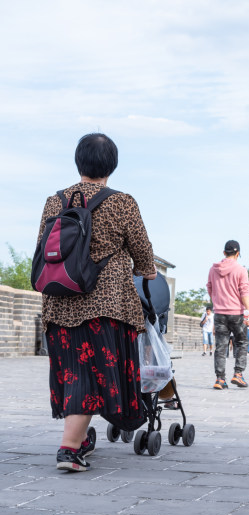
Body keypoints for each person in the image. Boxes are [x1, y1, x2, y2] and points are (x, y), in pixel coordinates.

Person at [37, 133, 156, 472]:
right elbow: (142, 250)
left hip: (59, 301)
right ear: (112, 165)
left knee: (74, 371)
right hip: (105, 304)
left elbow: (44, 247)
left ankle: (80, 438)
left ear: (79, 161)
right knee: (91, 375)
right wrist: (147, 272)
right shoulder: (122, 202)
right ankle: (69, 449)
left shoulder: (54, 201)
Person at [207, 240, 249, 389]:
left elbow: (210, 288)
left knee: (221, 346)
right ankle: (238, 374)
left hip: (219, 313)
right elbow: (244, 292)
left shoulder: (213, 270)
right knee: (242, 342)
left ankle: (220, 379)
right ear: (238, 253)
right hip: (236, 313)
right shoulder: (241, 270)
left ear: (224, 253)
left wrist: (216, 302)